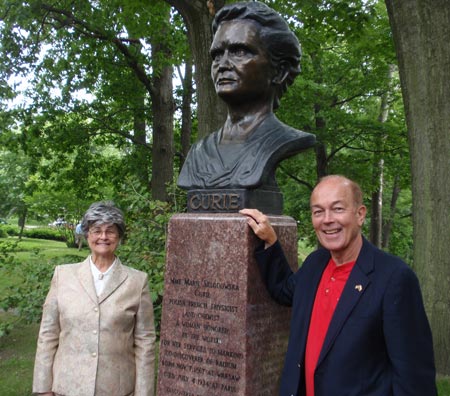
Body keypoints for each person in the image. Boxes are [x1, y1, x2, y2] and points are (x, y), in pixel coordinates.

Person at [240, 175, 437, 396]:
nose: (327, 219)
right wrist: (271, 242)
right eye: (318, 211)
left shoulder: (395, 278)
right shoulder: (315, 263)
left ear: (360, 214)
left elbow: (414, 379)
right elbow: (286, 291)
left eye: (337, 209)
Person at [177, 1, 315, 191]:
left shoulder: (283, 141)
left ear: (279, 71)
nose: (222, 64)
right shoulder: (199, 153)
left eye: (239, 52)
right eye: (217, 55)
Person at [33, 201, 156, 396]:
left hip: (117, 388)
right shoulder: (63, 276)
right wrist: (42, 388)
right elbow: (47, 335)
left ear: (119, 236)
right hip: (67, 386)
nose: (103, 236)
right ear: (87, 234)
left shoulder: (137, 281)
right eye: (96, 230)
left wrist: (144, 392)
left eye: (110, 231)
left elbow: (145, 342)